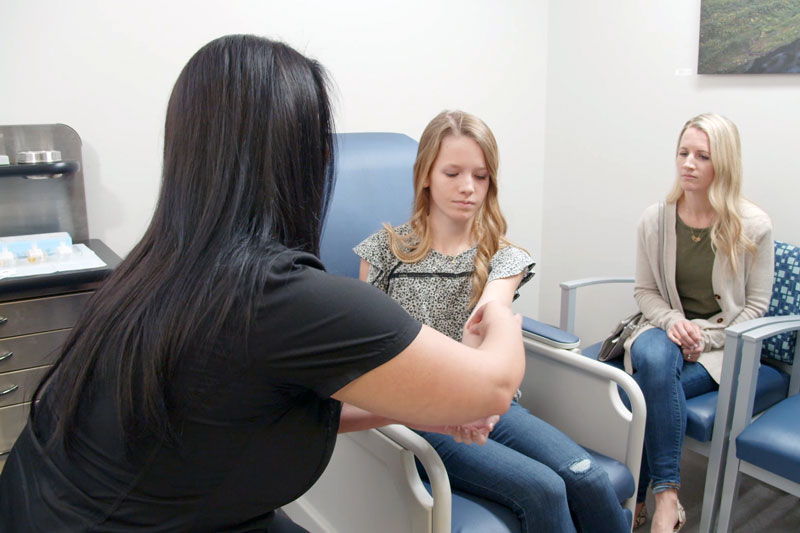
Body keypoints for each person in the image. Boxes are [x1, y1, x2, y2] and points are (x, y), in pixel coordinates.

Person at [0, 36, 526, 532]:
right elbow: (495, 384)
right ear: (302, 158)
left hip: (42, 501)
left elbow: (256, 408)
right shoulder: (285, 298)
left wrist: (422, 406)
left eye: (481, 177)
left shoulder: (158, 266)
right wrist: (500, 307)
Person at [355, 110, 629, 533]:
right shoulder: (382, 253)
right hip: (417, 416)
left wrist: (473, 392)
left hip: (487, 406)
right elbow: (372, 352)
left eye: (481, 177)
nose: (468, 188)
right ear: (426, 174)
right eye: (453, 173)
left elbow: (485, 325)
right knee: (544, 490)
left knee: (584, 475)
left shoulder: (503, 257)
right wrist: (452, 395)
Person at [623, 113, 773, 532]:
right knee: (653, 357)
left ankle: (638, 498)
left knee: (646, 389)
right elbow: (645, 291)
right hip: (663, 332)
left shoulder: (754, 227)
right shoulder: (655, 219)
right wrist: (673, 322)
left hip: (724, 346)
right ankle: (667, 498)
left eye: (701, 156)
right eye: (683, 153)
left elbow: (756, 308)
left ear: (722, 164)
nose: (688, 163)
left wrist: (702, 339)